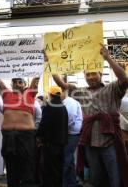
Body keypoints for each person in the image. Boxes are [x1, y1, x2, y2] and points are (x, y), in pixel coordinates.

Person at [52, 44, 128, 187]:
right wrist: (49, 64)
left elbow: (124, 78)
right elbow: (61, 84)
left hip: (110, 143)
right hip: (90, 144)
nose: (91, 77)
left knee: (115, 178)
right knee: (96, 179)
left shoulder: (112, 89)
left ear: (100, 74)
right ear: (84, 76)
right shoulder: (80, 92)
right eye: (88, 74)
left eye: (94, 73)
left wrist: (108, 58)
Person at [0, 77, 39, 187]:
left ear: (25, 84)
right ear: (11, 84)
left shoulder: (30, 93)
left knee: (27, 167)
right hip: (9, 136)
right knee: (11, 167)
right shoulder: (6, 94)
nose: (17, 84)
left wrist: (41, 61)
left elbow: (36, 76)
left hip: (26, 137)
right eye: (14, 82)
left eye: (20, 82)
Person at [61, 89, 83, 187]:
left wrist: (60, 130)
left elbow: (70, 119)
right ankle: (72, 182)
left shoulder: (69, 102)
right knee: (69, 160)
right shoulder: (67, 102)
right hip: (70, 133)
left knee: (66, 158)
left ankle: (64, 183)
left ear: (64, 91)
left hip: (71, 133)